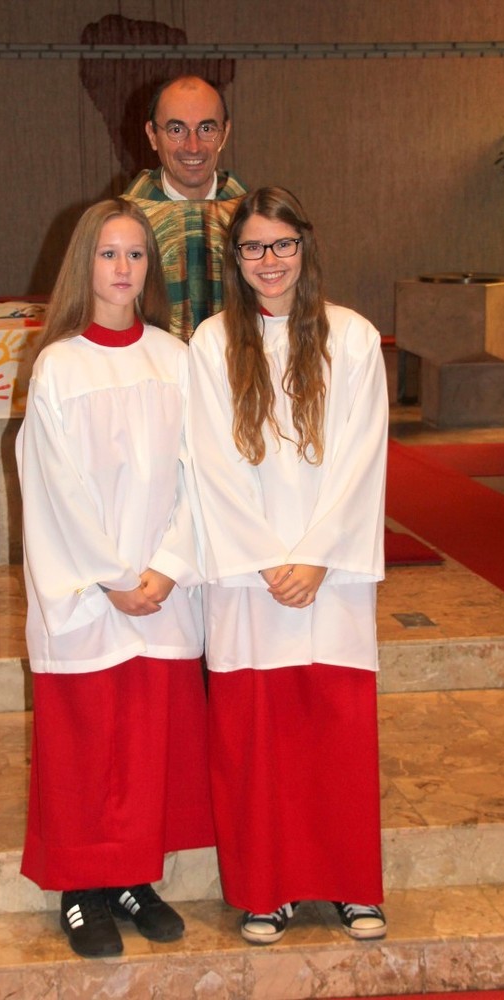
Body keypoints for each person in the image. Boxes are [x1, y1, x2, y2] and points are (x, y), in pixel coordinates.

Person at [186, 187, 388, 945]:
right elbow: (209, 460)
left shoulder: (353, 337)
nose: (269, 261)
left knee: (336, 730)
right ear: (234, 259)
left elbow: (364, 454)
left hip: (331, 575)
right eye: (253, 247)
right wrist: (271, 559)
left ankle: (351, 886)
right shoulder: (211, 344)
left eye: (282, 244)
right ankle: (264, 891)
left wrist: (318, 556)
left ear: (305, 245)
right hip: (250, 578)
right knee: (256, 740)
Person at [16, 197, 213, 959]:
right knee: (86, 743)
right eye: (108, 253)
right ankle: (80, 888)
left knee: (146, 743)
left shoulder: (176, 359)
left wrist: (166, 568)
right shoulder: (61, 366)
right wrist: (111, 577)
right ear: (84, 265)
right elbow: (53, 486)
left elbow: (202, 475)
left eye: (135, 254)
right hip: (89, 596)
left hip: (162, 591)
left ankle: (134, 877)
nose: (123, 268)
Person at [125, 74, 247, 341]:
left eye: (206, 129)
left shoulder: (254, 219)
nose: (193, 147)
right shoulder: (121, 223)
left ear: (224, 133)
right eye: (177, 130)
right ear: (152, 135)